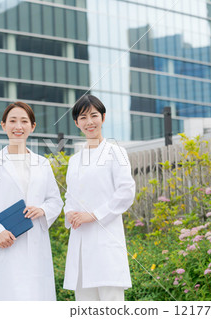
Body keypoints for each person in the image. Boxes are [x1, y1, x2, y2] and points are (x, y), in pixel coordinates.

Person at [0, 101, 63, 301]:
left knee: (36, 297)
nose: (18, 126)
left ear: (32, 126)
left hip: (35, 242)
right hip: (7, 243)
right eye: (12, 121)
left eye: (24, 121)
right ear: (3, 125)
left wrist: (43, 209)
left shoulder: (43, 164)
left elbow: (55, 200)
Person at [63, 94, 136, 301]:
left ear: (103, 118)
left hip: (106, 241)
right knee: (84, 304)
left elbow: (126, 192)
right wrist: (69, 212)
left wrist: (93, 215)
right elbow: (70, 196)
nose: (89, 122)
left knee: (111, 303)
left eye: (93, 115)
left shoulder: (116, 152)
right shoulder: (74, 160)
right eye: (83, 118)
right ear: (77, 123)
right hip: (80, 241)